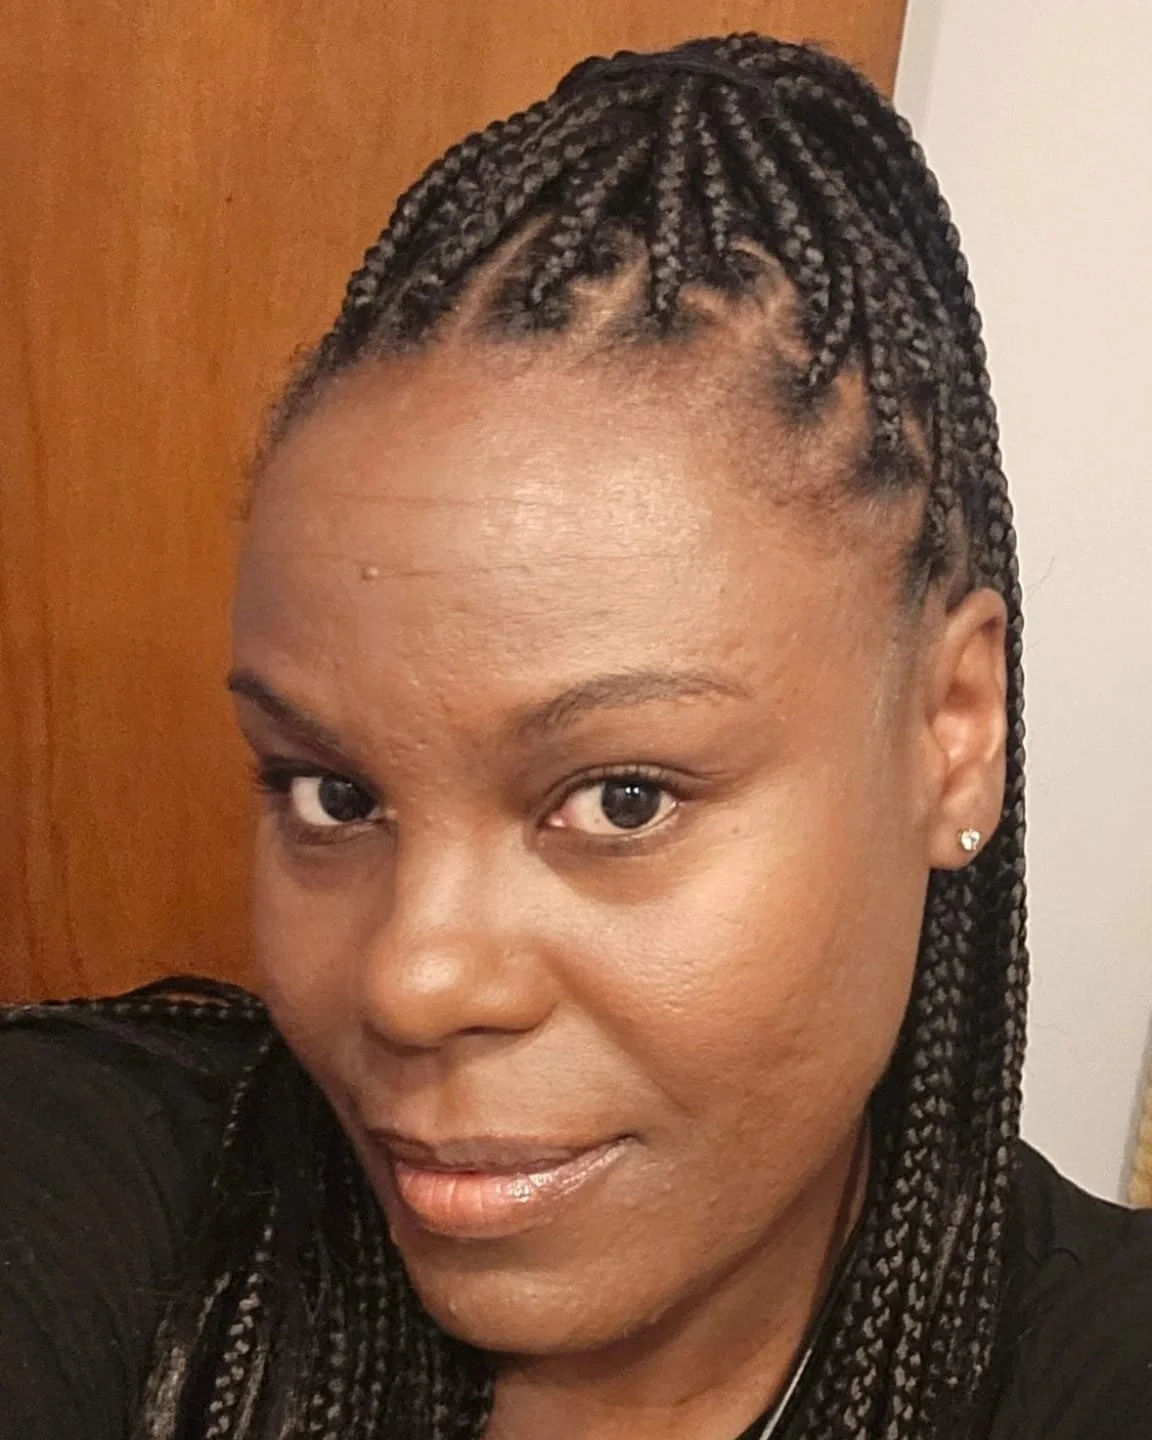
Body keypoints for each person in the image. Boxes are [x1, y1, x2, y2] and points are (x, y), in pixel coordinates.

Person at [1, 32, 1150, 1440]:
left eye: (618, 799)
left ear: (953, 729)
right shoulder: (91, 1188)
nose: (410, 984)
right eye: (331, 794)